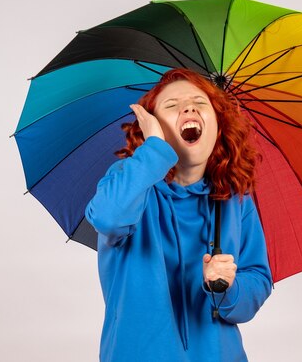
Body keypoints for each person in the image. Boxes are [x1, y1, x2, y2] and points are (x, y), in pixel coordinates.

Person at [85, 68, 272, 362]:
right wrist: (155, 151)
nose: (188, 107)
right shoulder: (129, 182)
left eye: (200, 103)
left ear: (218, 124)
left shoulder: (235, 198)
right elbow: (107, 217)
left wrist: (228, 287)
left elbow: (258, 281)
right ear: (152, 128)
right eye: (171, 106)